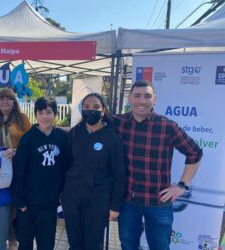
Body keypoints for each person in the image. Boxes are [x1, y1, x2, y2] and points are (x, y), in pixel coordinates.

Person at [112, 80, 203, 250]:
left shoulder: (167, 127)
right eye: (137, 96)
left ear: (155, 100)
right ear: (130, 99)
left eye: (147, 96)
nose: (142, 101)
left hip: (159, 202)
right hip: (128, 201)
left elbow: (195, 152)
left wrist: (182, 185)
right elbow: (92, 117)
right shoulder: (117, 122)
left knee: (160, 247)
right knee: (128, 246)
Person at [62, 93, 126, 250]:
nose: (91, 110)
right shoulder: (74, 134)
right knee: (74, 242)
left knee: (92, 243)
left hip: (98, 199)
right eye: (87, 107)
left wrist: (115, 206)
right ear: (82, 110)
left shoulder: (112, 137)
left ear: (103, 110)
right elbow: (64, 165)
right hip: (72, 196)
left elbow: (119, 174)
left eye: (96, 107)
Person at [11, 97, 68, 250]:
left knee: (47, 243)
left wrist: (62, 194)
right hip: (28, 203)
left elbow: (65, 167)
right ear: (35, 114)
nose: (44, 116)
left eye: (49, 112)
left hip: (49, 203)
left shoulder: (62, 137)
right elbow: (19, 170)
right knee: (26, 243)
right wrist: (20, 200)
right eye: (40, 112)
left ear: (55, 114)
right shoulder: (28, 139)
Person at [0, 88, 32, 249]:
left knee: (14, 205)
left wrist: (16, 152)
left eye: (8, 98)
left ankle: (12, 238)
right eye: (1, 98)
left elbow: (29, 143)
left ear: (14, 102)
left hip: (17, 168)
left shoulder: (23, 120)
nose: (5, 101)